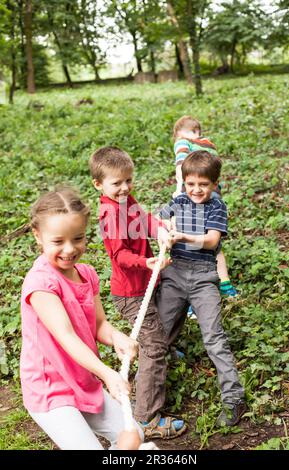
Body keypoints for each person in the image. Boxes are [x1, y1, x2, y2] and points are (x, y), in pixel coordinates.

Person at [20, 186, 143, 450]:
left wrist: (117, 337)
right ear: (38, 236)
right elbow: (66, 336)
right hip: (50, 388)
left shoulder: (86, 273)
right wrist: (107, 374)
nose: (69, 249)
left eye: (78, 238)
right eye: (58, 241)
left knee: (134, 434)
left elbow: (99, 324)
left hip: (82, 379)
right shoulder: (41, 283)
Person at [89, 146, 187, 439]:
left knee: (177, 299)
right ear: (99, 185)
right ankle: (146, 417)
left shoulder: (125, 201)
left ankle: (162, 344)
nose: (124, 188)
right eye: (116, 183)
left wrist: (158, 228)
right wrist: (146, 261)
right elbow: (119, 256)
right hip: (131, 293)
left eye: (128, 180)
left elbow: (142, 217)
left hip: (148, 279)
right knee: (152, 347)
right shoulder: (109, 215)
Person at [157, 151, 247, 427]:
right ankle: (149, 397)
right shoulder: (178, 200)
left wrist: (183, 236)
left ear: (215, 183)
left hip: (203, 276)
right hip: (174, 272)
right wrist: (164, 229)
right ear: (183, 182)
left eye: (203, 185)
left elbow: (211, 241)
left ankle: (234, 397)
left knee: (214, 338)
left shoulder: (216, 206)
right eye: (190, 184)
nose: (196, 190)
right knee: (158, 333)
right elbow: (159, 220)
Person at [173, 115, 238, 299]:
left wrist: (180, 188)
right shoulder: (208, 146)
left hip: (194, 200)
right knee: (215, 245)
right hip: (212, 194)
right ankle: (225, 285)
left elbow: (180, 164)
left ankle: (195, 294)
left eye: (196, 132)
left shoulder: (182, 143)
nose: (195, 135)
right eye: (193, 131)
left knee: (195, 248)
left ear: (177, 134)